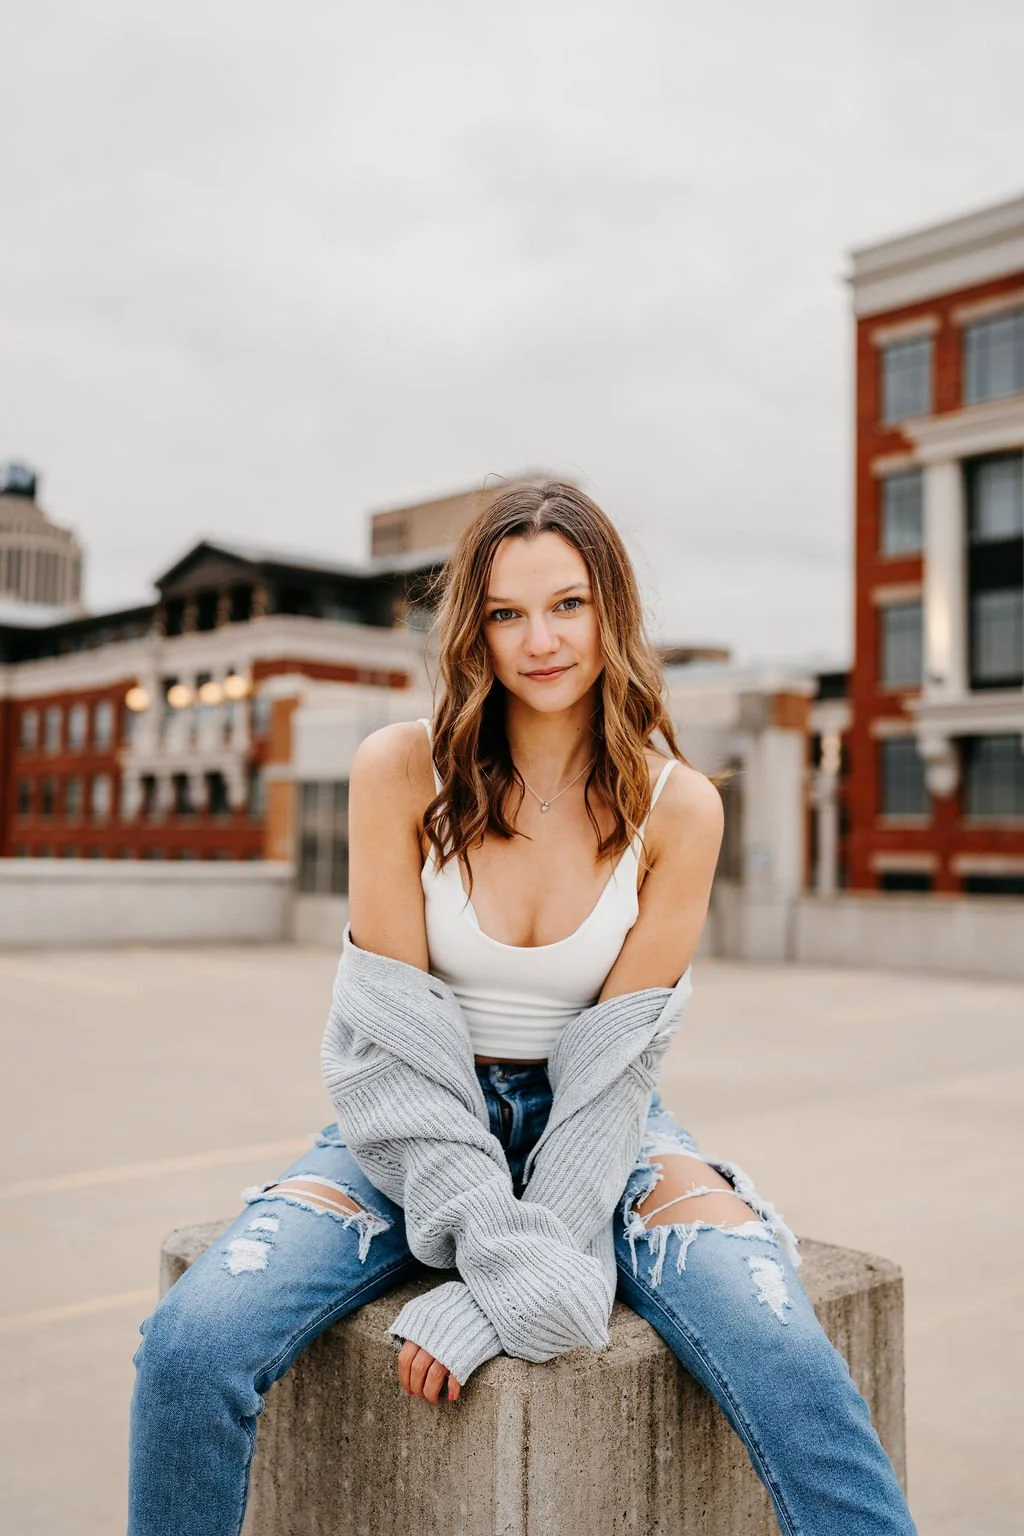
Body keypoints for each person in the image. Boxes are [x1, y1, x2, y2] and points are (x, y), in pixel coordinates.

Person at [127, 482, 917, 1535]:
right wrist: (513, 1264)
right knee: (188, 1348)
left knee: (786, 1351)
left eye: (568, 605)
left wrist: (489, 1296)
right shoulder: (400, 771)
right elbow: (392, 1055)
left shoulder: (680, 808)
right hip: (410, 1123)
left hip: (600, 1123)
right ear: (473, 632)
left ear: (612, 614)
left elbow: (613, 1074)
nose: (539, 641)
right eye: (505, 613)